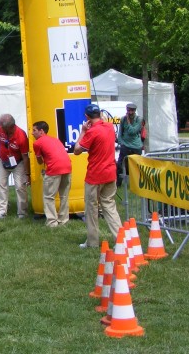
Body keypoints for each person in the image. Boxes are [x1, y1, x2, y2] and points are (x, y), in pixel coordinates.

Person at [74, 103, 122, 249]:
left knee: (91, 208)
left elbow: (77, 150)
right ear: (100, 114)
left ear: (86, 117)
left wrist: (83, 131)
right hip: (110, 173)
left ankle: (92, 242)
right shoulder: (109, 127)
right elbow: (103, 121)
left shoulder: (91, 132)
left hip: (95, 175)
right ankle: (121, 240)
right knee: (109, 206)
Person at [0, 114, 31, 219]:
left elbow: (25, 156)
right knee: (0, 184)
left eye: (2, 127)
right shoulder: (0, 128)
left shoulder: (21, 136)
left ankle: (22, 213)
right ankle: (1, 212)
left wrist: (27, 174)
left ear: (9, 127)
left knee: (20, 187)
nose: (0, 128)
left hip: (18, 162)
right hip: (3, 160)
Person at [31, 121, 72, 227]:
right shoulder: (55, 140)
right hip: (67, 167)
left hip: (54, 169)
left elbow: (40, 161)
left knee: (48, 197)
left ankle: (52, 222)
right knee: (64, 196)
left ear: (41, 131)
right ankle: (63, 220)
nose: (32, 133)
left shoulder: (37, 143)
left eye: (34, 130)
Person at [116, 102, 144, 187]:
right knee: (120, 165)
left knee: (136, 165)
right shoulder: (123, 119)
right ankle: (118, 184)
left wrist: (128, 122)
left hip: (136, 146)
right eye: (129, 110)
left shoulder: (139, 119)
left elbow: (132, 131)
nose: (130, 112)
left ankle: (137, 184)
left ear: (135, 111)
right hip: (125, 145)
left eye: (132, 111)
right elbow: (120, 132)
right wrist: (121, 143)